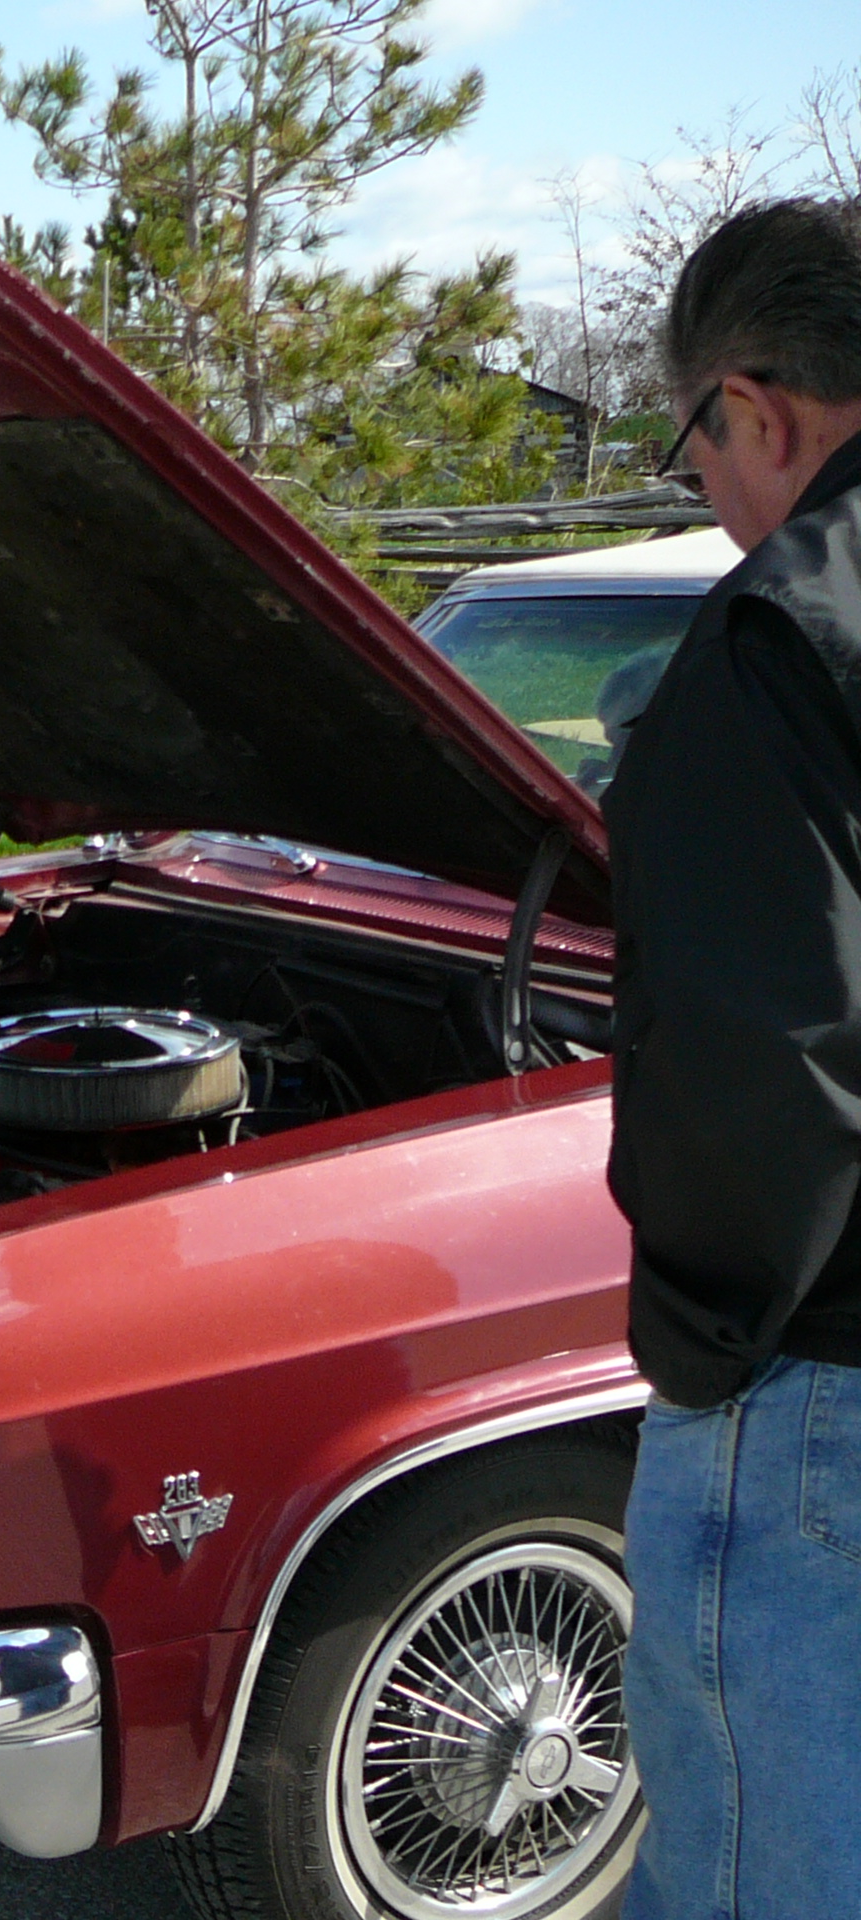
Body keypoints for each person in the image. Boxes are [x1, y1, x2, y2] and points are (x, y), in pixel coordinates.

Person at [606, 200, 861, 1920]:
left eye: (699, 445)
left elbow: (769, 1076)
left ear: (757, 410)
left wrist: (695, 1345)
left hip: (823, 1390)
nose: (710, 492)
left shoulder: (775, 635)